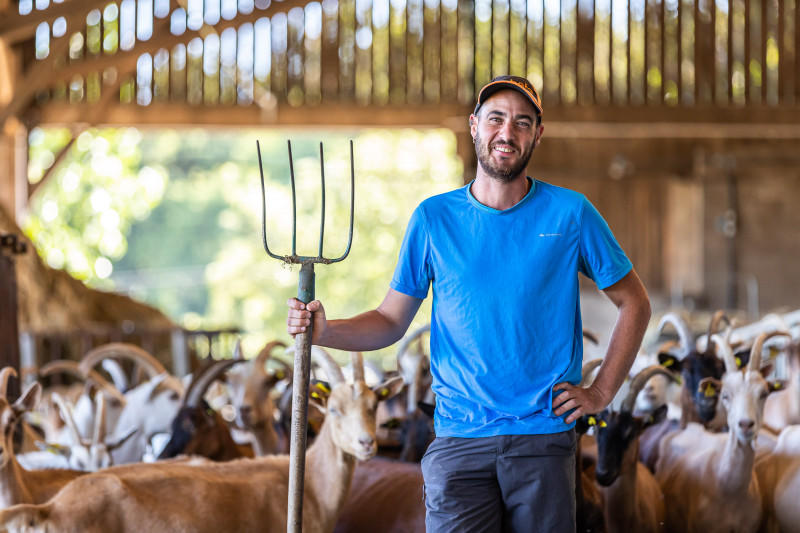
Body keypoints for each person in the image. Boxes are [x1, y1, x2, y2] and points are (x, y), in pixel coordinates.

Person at [286, 75, 651, 532]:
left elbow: (634, 303)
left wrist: (601, 392)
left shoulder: (571, 213)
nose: (507, 132)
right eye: (496, 118)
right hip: (460, 442)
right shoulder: (434, 218)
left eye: (522, 122)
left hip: (542, 440)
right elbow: (389, 320)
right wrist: (325, 331)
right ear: (474, 126)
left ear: (538, 133)